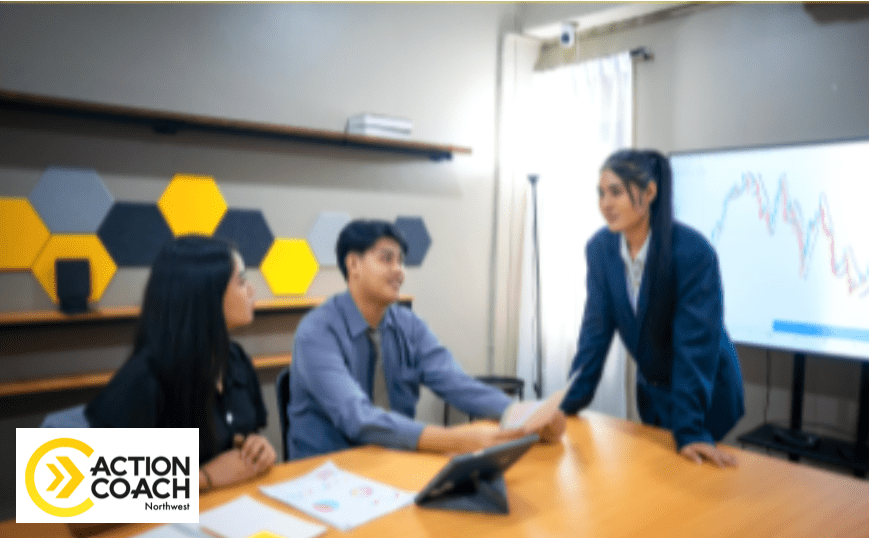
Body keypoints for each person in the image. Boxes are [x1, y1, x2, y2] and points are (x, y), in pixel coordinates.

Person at [287, 219, 565, 459]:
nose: (399, 271)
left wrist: (526, 416)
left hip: (394, 459)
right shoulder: (316, 332)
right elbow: (357, 418)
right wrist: (458, 440)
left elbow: (456, 383)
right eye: (386, 259)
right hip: (327, 469)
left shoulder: (409, 325)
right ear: (353, 264)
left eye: (401, 261)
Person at [559, 149, 745, 467]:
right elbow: (594, 335)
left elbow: (694, 349)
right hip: (654, 394)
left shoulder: (692, 253)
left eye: (616, 192)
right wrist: (564, 407)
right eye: (601, 193)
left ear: (649, 192)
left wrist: (691, 431)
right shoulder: (600, 249)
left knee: (692, 486)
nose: (605, 203)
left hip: (705, 395)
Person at [86, 235, 277, 490]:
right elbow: (83, 504)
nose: (252, 291)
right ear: (205, 295)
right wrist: (205, 478)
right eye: (241, 282)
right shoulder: (144, 376)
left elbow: (243, 438)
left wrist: (258, 449)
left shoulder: (235, 358)